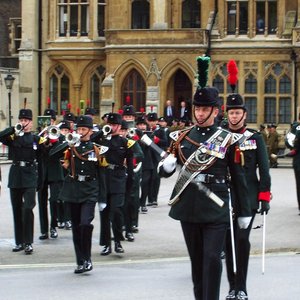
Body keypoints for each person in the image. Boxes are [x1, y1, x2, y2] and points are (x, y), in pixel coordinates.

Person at [159, 56, 251, 300]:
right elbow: (166, 168)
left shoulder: (227, 139)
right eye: (196, 109)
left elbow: (238, 177)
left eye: (204, 109)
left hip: (217, 206)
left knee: (212, 259)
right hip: (189, 206)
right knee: (197, 264)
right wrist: (166, 167)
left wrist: (244, 211)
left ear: (215, 110)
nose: (199, 114)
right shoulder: (180, 137)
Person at [224, 92, 271, 300]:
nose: (234, 116)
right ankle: (231, 287)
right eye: (231, 113)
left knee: (242, 240)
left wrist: (264, 197)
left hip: (249, 198)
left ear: (244, 114)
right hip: (226, 198)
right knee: (228, 243)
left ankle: (241, 286)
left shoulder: (255, 138)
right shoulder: (221, 138)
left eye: (237, 113)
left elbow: (264, 170)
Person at [54, 115, 107, 273]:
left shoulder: (97, 149)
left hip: (90, 189)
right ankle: (80, 261)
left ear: (90, 131)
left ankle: (88, 258)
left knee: (85, 224)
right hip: (73, 188)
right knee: (76, 227)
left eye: (84, 129)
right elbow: (52, 154)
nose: (80, 132)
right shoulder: (71, 147)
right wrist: (67, 142)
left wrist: (102, 198)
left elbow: (102, 174)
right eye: (79, 129)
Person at [0, 109, 46, 254]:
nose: (24, 123)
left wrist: (41, 180)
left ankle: (28, 242)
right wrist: (14, 129)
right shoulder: (13, 137)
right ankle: (19, 242)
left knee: (27, 208)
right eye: (21, 120)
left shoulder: (36, 139)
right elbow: (1, 136)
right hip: (16, 175)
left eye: (26, 121)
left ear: (31, 122)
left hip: (30, 175)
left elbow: (42, 160)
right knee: (16, 209)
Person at [94, 113, 134, 255]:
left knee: (116, 211)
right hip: (104, 178)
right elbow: (90, 140)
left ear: (119, 126)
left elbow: (130, 165)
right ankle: (106, 244)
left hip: (118, 179)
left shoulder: (125, 143)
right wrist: (102, 132)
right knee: (104, 213)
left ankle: (117, 241)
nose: (111, 127)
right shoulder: (101, 140)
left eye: (114, 125)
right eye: (109, 125)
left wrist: (130, 185)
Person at [38, 109, 62, 240]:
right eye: (46, 121)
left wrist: (54, 140)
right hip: (42, 172)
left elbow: (62, 149)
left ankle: (53, 226)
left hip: (55, 172)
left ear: (54, 121)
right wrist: (43, 142)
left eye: (51, 121)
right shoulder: (39, 136)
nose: (48, 123)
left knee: (54, 200)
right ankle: (44, 230)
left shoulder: (59, 136)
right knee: (42, 202)